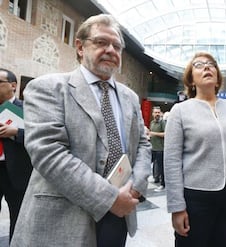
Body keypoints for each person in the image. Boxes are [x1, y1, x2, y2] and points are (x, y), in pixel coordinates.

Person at [10, 14, 152, 246]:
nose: (110, 50)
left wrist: (136, 187)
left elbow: (143, 144)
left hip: (119, 216)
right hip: (64, 217)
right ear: (80, 46)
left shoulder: (130, 97)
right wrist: (109, 198)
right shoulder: (48, 88)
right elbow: (49, 153)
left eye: (116, 46)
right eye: (100, 42)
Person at [164, 51, 226, 247]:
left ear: (217, 77)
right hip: (196, 196)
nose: (207, 67)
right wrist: (176, 207)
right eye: (199, 65)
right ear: (191, 80)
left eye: (211, 64)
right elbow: (171, 161)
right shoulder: (180, 111)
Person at [0, 68, 32, 242]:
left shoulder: (28, 109)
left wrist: (15, 132)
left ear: (13, 85)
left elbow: (41, 137)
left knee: (18, 220)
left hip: (17, 173)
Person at [149, 106, 166, 191]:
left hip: (161, 149)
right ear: (152, 114)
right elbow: (151, 133)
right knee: (152, 165)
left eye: (158, 112)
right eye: (155, 112)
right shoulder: (152, 123)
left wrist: (153, 133)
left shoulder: (162, 122)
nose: (157, 114)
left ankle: (163, 184)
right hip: (153, 148)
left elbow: (165, 134)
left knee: (161, 167)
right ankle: (156, 178)